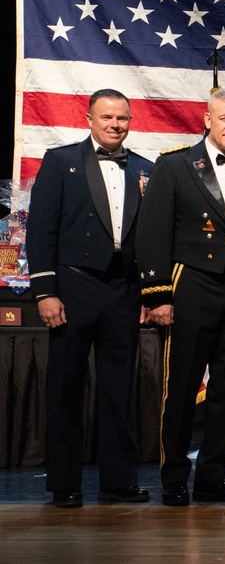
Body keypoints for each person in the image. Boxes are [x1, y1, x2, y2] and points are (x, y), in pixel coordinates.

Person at [136, 88, 225, 506]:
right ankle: (174, 477)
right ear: (207, 119)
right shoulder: (175, 165)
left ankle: (212, 477)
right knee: (179, 390)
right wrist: (158, 294)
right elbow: (153, 231)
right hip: (192, 287)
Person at [26, 89, 154, 508]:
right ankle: (64, 483)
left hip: (123, 290)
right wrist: (46, 292)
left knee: (120, 389)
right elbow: (41, 230)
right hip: (73, 288)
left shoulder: (144, 169)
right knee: (66, 388)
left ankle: (118, 481)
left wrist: (149, 291)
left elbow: (151, 241)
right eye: (107, 117)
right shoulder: (61, 162)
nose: (115, 124)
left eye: (122, 118)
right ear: (89, 118)